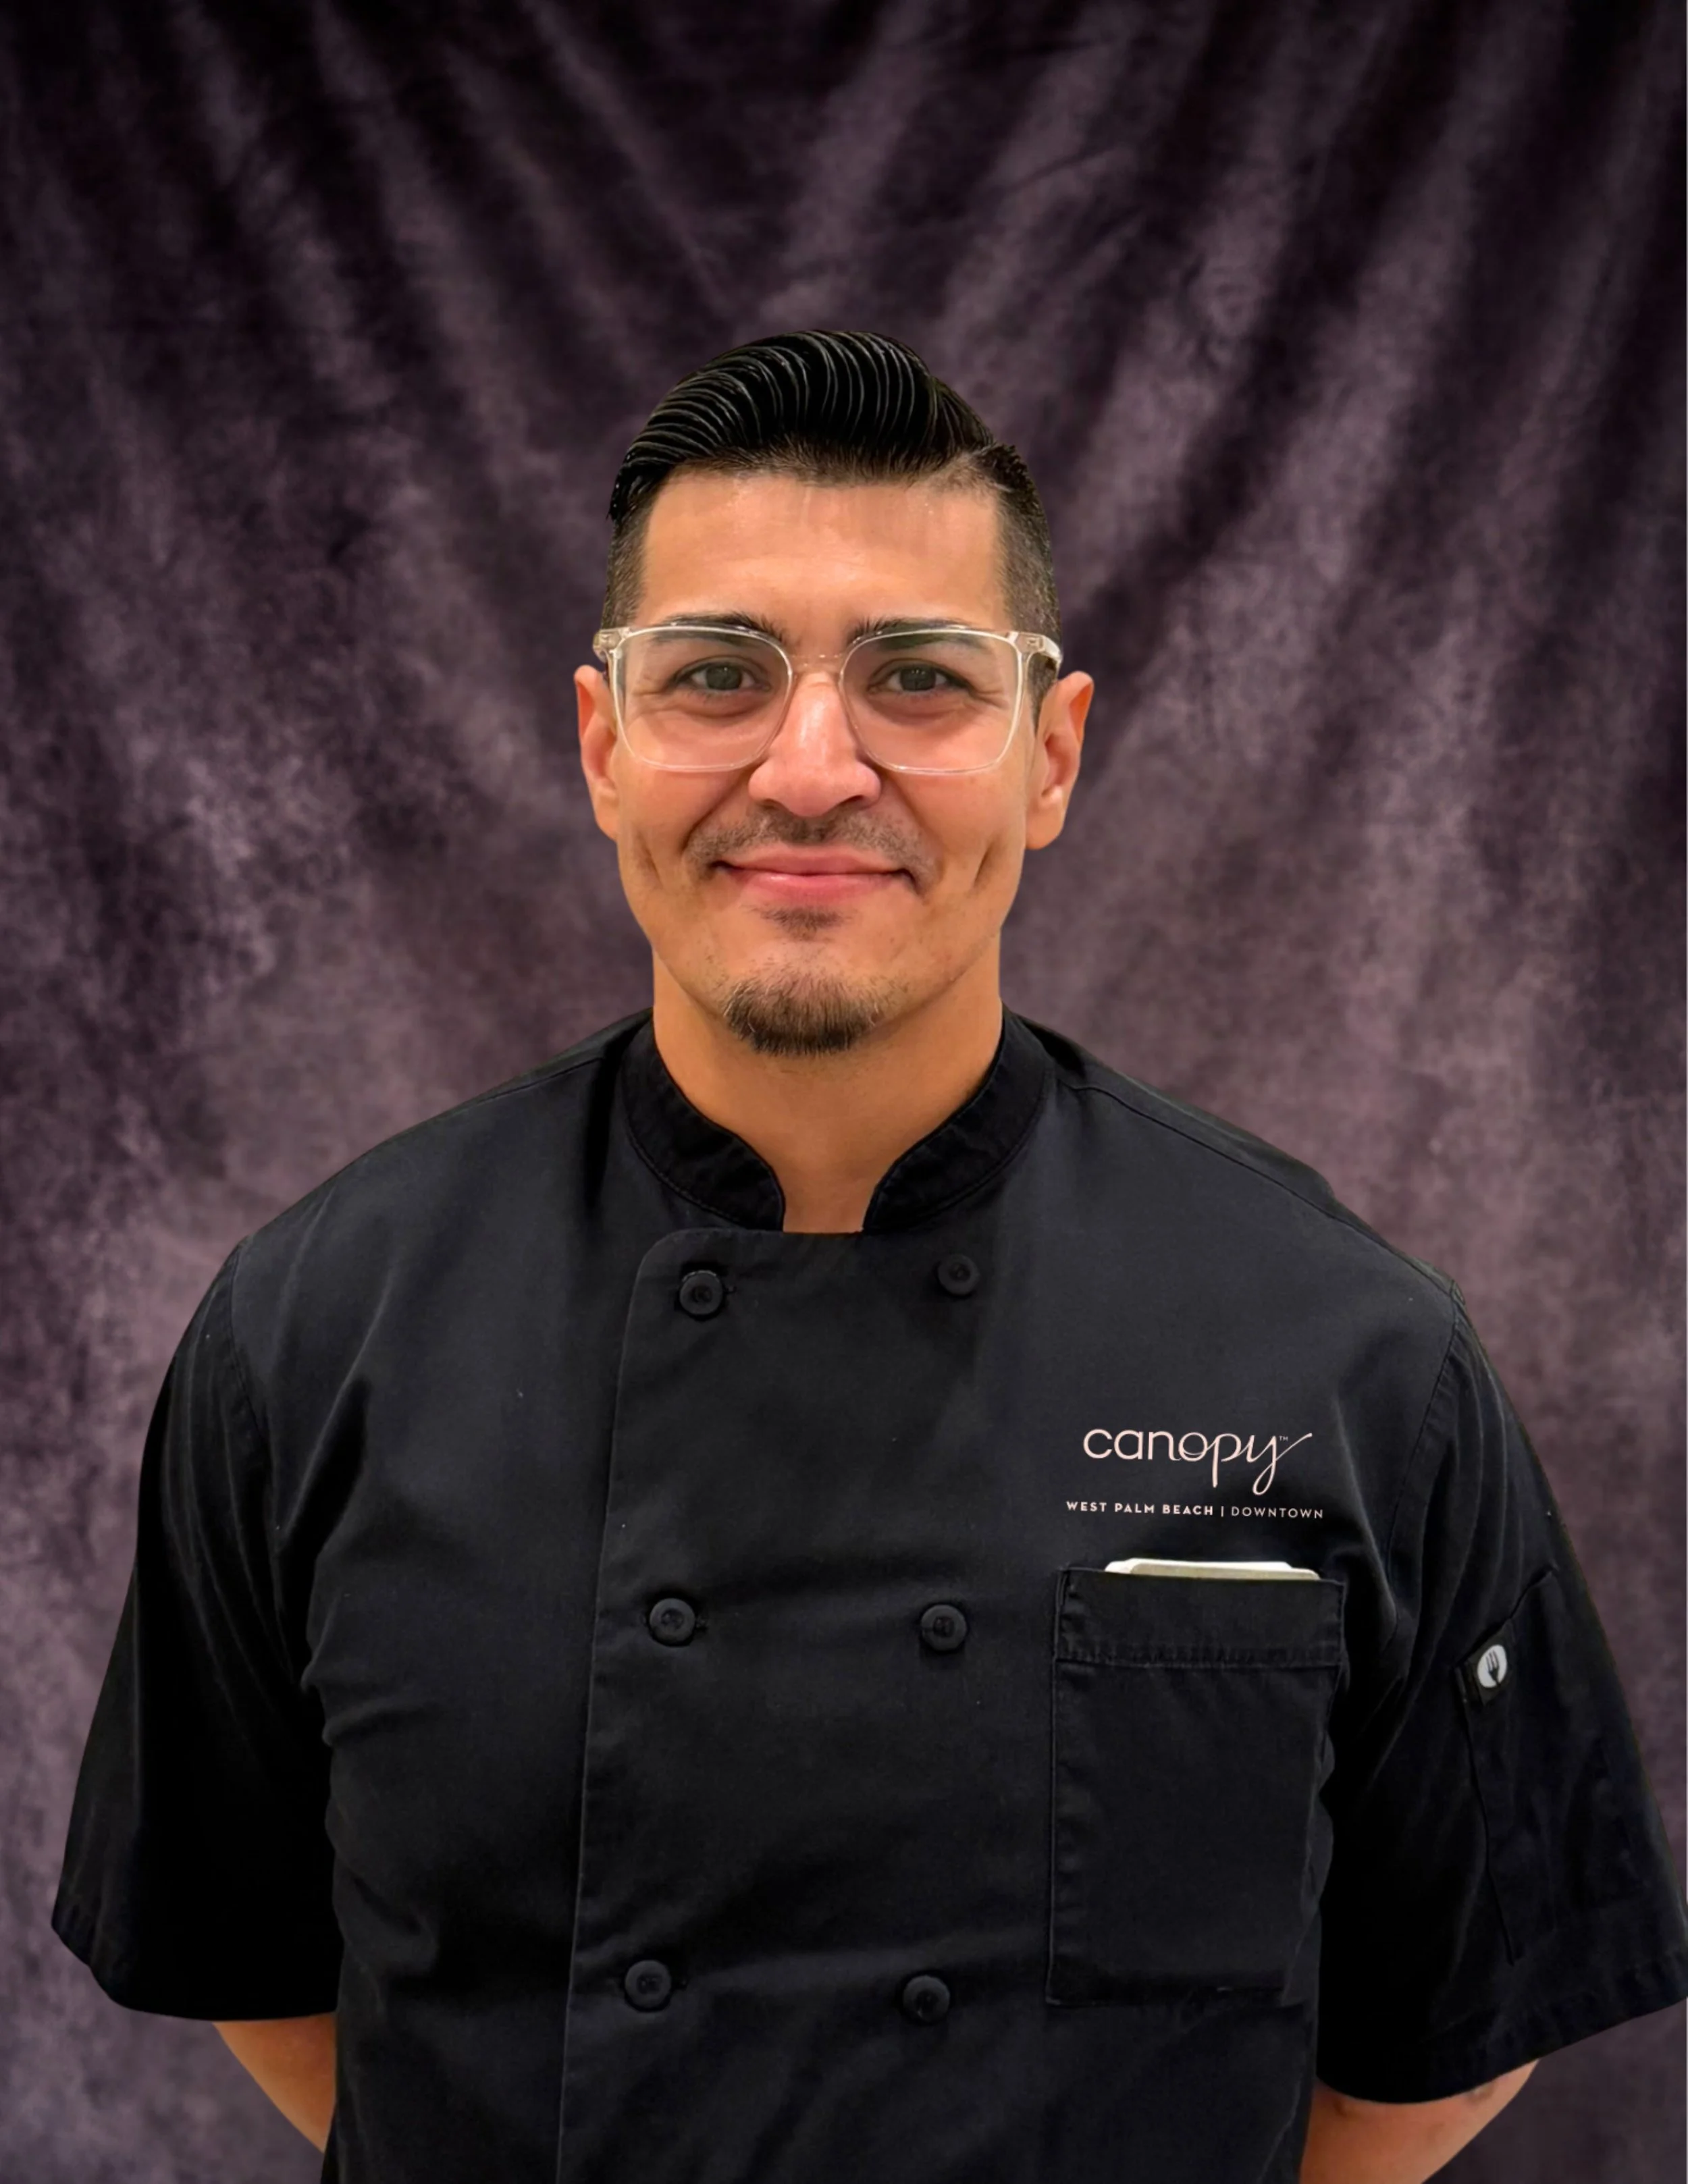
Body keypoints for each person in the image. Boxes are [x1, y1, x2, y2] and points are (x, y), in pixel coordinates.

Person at [53, 329, 1688, 2184]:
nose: (813, 769)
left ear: (1046, 754)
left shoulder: (1352, 1354)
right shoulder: (312, 1334)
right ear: (604, 743)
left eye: (917, 678)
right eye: (715, 677)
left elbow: (1449, 2032)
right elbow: (248, 1960)